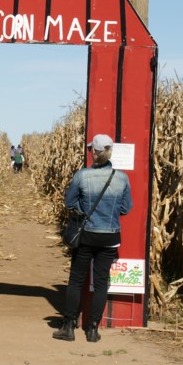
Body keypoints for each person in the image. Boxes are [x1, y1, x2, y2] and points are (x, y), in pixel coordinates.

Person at [53, 134, 132, 343]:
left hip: (86, 235)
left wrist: (85, 212)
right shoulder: (122, 178)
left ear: (94, 152)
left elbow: (69, 203)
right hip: (110, 237)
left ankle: (68, 326)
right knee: (100, 283)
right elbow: (126, 207)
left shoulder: (82, 176)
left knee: (76, 280)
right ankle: (93, 329)